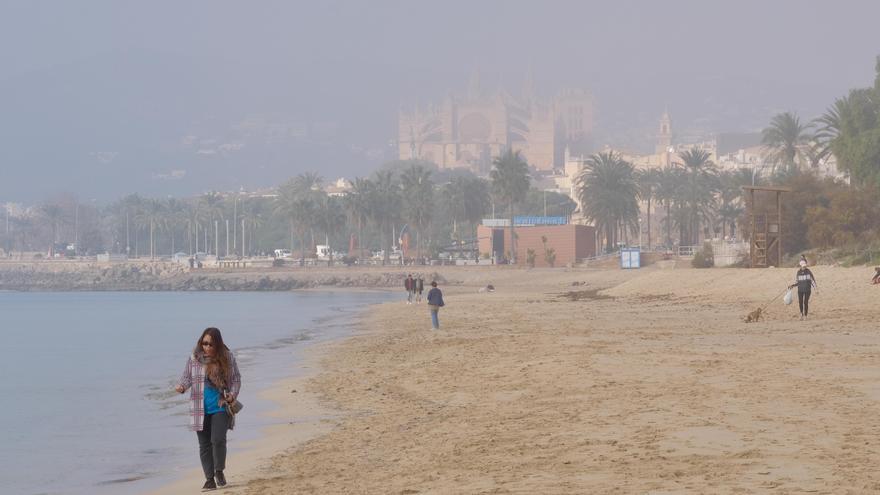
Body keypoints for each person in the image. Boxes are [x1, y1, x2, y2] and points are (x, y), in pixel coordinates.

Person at [175, 327, 241, 491]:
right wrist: (182, 386)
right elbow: (187, 377)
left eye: (211, 344)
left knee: (217, 440)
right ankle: (209, 480)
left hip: (220, 406)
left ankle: (219, 471)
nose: (207, 347)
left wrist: (232, 395)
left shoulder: (227, 357)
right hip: (199, 407)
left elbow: (236, 379)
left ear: (217, 344)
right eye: (204, 343)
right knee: (204, 445)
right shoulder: (194, 358)